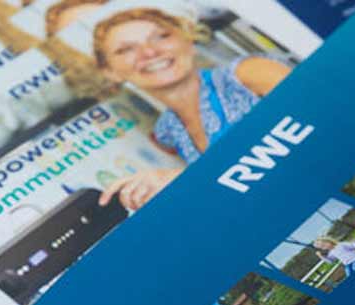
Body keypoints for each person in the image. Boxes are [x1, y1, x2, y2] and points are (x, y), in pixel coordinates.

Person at [93, 9, 290, 211]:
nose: (149, 53)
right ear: (109, 72)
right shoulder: (166, 133)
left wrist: (189, 180)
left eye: (162, 36)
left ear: (189, 40)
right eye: (126, 50)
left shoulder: (249, 72)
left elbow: (319, 113)